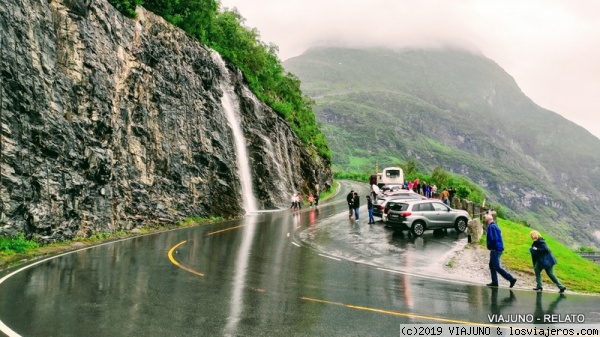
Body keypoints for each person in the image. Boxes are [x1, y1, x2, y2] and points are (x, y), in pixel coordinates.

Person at [485, 214, 517, 288]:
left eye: (485, 219)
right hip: (497, 248)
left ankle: (511, 279)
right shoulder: (495, 226)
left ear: (488, 219)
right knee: (491, 265)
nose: (484, 220)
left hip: (495, 249)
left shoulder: (491, 227)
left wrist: (492, 247)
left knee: (496, 266)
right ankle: (494, 282)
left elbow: (494, 238)